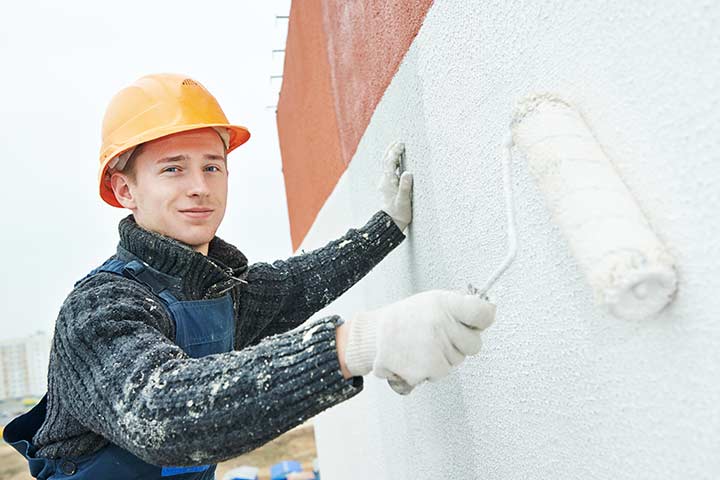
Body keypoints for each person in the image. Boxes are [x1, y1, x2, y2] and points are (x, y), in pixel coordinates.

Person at [2, 73, 496, 479]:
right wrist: (360, 344)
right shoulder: (100, 307)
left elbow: (302, 280)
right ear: (124, 189)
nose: (200, 187)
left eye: (213, 167)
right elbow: (159, 414)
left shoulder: (221, 290)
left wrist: (386, 227)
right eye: (173, 169)